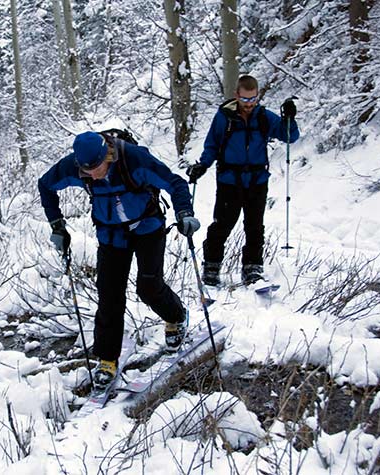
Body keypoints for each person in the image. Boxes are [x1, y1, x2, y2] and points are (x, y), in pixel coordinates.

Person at [38, 131, 200, 389]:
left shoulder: (134, 160)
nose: (91, 175)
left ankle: (176, 317)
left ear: (107, 156)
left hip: (147, 227)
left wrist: (184, 212)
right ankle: (106, 359)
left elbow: (175, 183)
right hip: (111, 234)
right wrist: (57, 225)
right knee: (109, 295)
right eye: (85, 170)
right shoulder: (77, 167)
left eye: (96, 168)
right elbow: (45, 184)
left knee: (148, 287)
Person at [187, 75, 300, 286]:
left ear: (257, 97)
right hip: (229, 180)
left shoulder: (264, 117)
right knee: (222, 225)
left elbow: (290, 136)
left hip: (257, 180)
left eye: (253, 99)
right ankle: (211, 266)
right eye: (245, 99)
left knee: (255, 226)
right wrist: (203, 165)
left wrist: (289, 119)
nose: (249, 104)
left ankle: (252, 268)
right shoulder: (224, 117)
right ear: (237, 95)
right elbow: (212, 144)